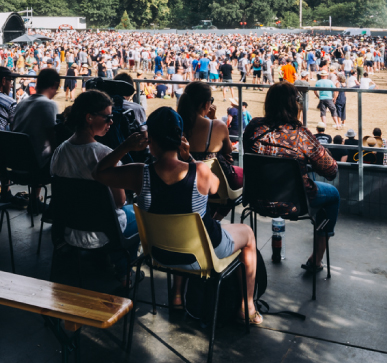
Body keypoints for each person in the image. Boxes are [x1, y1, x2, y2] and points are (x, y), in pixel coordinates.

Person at [93, 107, 261, 324]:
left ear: (150, 140)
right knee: (247, 234)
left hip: (160, 253)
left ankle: (177, 296)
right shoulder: (199, 170)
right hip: (202, 255)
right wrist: (189, 157)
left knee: (176, 227)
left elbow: (98, 173)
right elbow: (216, 187)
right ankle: (247, 307)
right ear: (180, 138)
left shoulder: (138, 173)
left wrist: (125, 146)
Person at [243, 82, 340, 271]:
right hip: (296, 203)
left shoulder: (253, 127)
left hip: (256, 198)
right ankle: (317, 259)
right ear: (293, 105)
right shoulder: (301, 134)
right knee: (333, 195)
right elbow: (331, 171)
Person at [50, 90, 138, 282]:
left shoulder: (60, 151)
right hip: (105, 232)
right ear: (89, 117)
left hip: (69, 229)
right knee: (137, 215)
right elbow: (120, 201)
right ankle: (124, 272)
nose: (111, 122)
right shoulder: (104, 154)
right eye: (107, 117)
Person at [177, 81, 243, 192]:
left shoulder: (176, 124)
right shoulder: (217, 126)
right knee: (241, 174)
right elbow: (228, 150)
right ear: (206, 104)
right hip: (217, 186)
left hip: (184, 182)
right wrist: (213, 119)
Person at [10, 68, 61, 170]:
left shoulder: (22, 103)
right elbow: (53, 138)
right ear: (55, 85)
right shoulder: (49, 104)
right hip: (37, 164)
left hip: (16, 161)